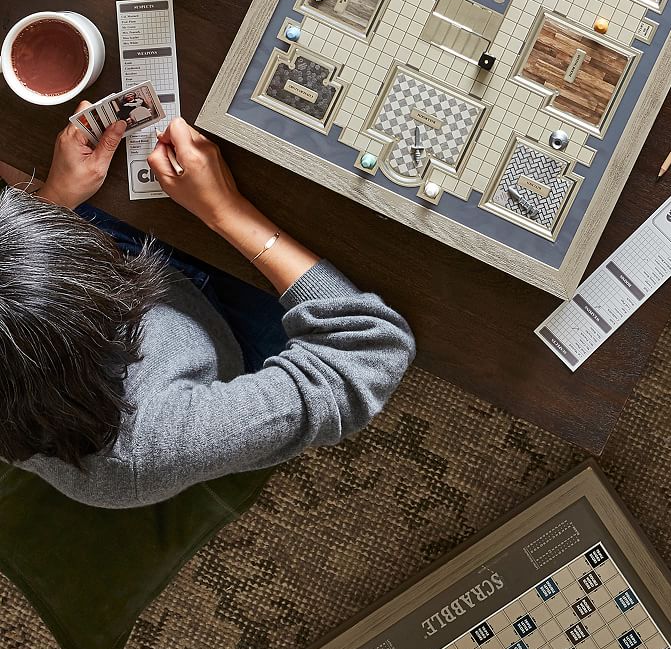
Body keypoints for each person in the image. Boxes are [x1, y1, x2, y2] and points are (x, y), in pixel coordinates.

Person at [0, 103, 415, 508]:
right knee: (381, 262)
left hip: (76, 303)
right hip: (224, 334)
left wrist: (51, 204)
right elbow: (369, 350)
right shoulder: (150, 445)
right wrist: (225, 210)